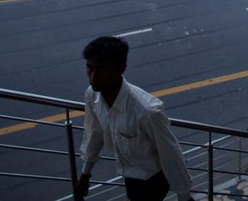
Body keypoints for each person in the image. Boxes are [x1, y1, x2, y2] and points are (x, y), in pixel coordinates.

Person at [74, 36, 193, 201]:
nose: (93, 77)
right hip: (129, 173)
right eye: (90, 68)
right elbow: (95, 132)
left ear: (121, 69)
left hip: (152, 179)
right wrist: (85, 174)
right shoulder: (92, 94)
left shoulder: (146, 111)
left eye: (101, 69)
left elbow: (170, 153)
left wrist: (184, 196)